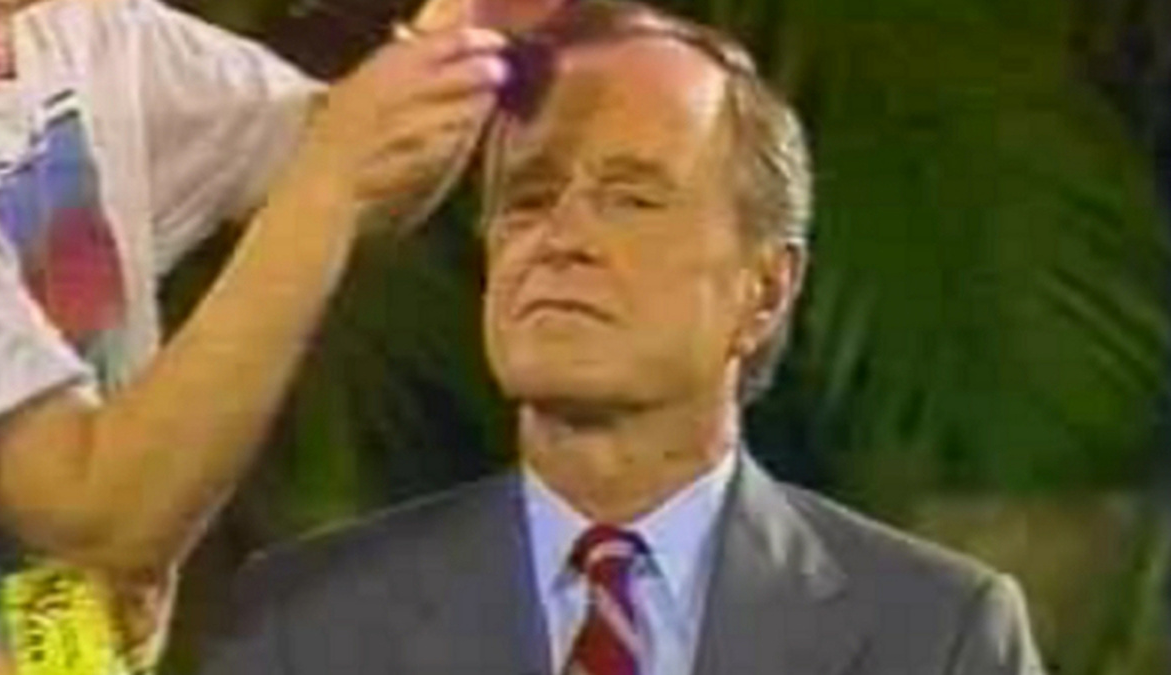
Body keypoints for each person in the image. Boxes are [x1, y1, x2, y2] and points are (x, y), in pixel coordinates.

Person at [195, 1, 1048, 674]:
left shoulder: (936, 633)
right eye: (528, 200)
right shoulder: (310, 622)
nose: (559, 238)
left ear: (765, 289)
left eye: (631, 198)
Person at [0, 0, 513, 666]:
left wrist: (474, 21)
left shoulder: (92, 37)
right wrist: (334, 174)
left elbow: (372, 170)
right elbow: (103, 514)